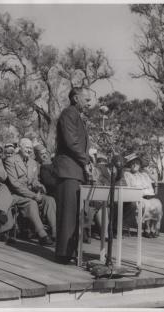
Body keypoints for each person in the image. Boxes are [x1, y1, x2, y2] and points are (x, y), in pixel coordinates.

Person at [52, 87, 92, 264]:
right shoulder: (69, 113)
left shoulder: (76, 115)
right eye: (86, 99)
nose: (89, 103)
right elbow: (72, 142)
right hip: (68, 171)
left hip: (75, 171)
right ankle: (63, 254)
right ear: (76, 98)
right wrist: (86, 161)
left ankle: (70, 252)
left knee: (74, 214)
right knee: (68, 214)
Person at [4, 138, 56, 246]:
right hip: (15, 195)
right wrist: (33, 195)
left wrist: (39, 187)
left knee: (49, 200)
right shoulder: (11, 161)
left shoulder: (33, 163)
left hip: (31, 193)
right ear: (20, 147)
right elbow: (15, 185)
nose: (29, 150)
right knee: (31, 202)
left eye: (31, 148)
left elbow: (34, 181)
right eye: (27, 147)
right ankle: (42, 235)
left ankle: (56, 233)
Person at [123, 153, 163, 238]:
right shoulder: (127, 175)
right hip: (137, 197)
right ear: (130, 165)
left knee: (157, 204)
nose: (134, 165)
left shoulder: (144, 175)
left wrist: (153, 179)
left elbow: (152, 189)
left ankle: (153, 227)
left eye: (137, 163)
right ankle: (147, 228)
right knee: (147, 204)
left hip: (149, 196)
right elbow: (130, 188)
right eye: (132, 163)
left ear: (140, 165)